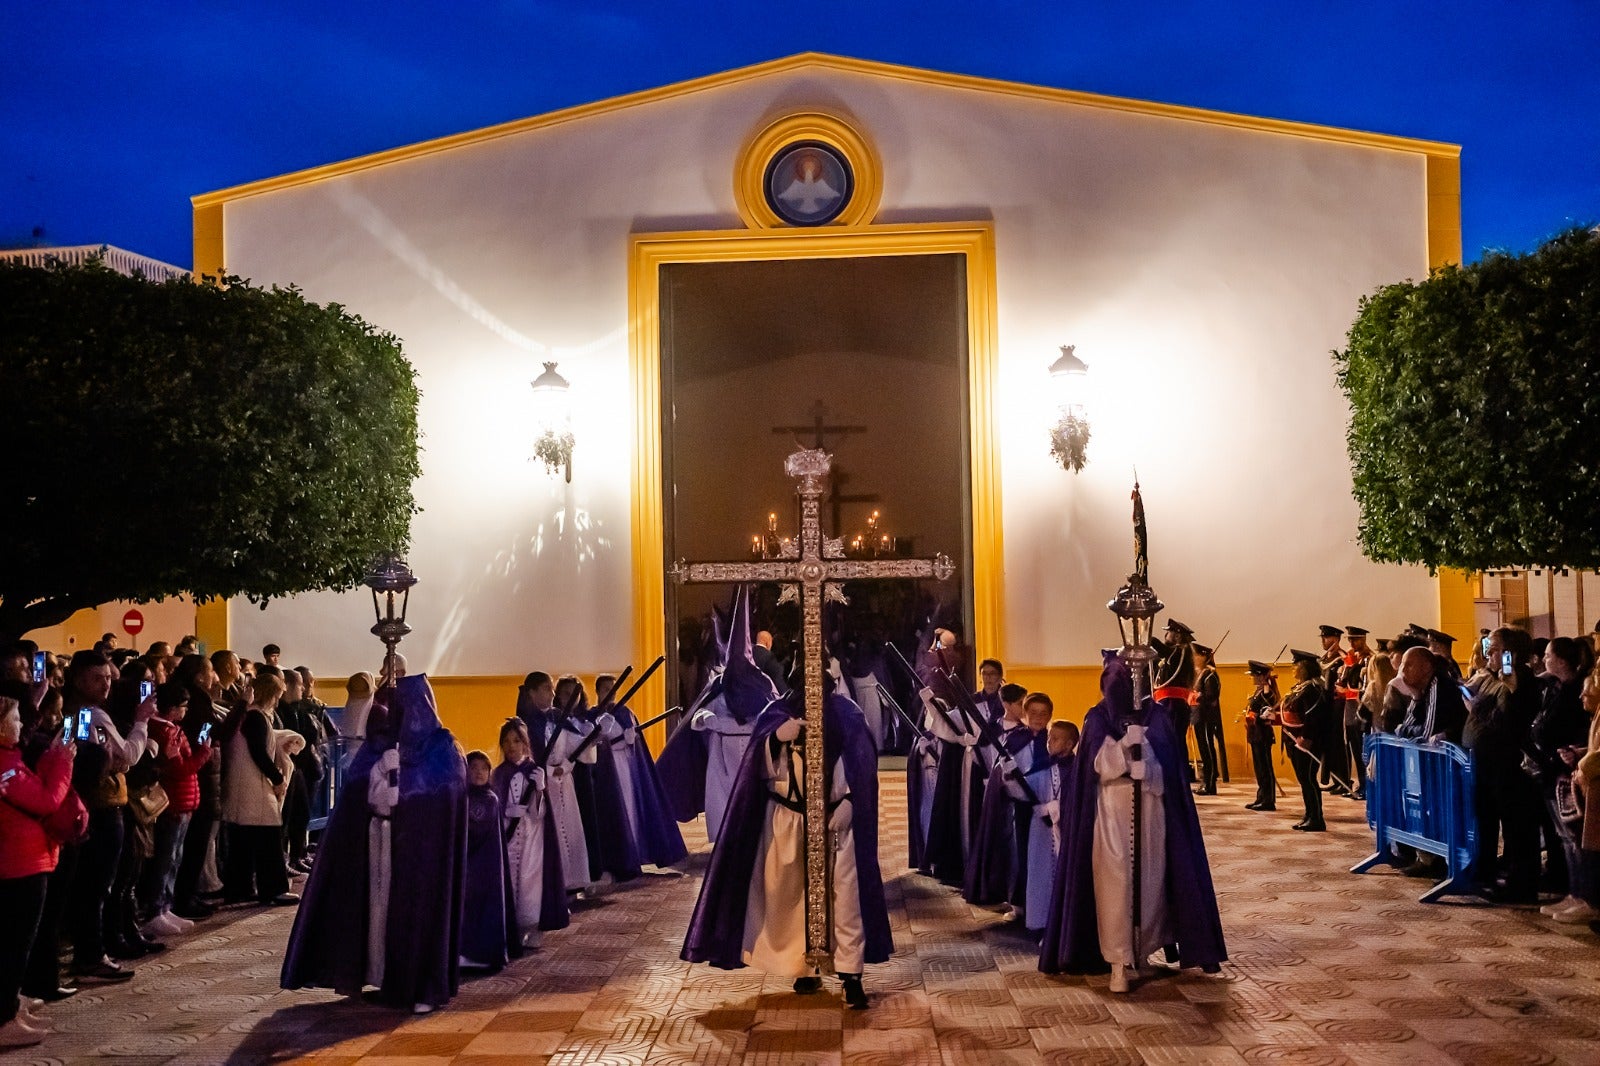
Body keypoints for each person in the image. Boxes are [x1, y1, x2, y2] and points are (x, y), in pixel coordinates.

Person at [681, 684, 890, 1010]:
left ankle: (852, 976)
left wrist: (852, 800)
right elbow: (755, 769)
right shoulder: (776, 714)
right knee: (791, 901)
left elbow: (860, 764)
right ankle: (804, 967)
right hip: (786, 820)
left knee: (846, 899)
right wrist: (777, 738)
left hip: (835, 822)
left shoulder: (846, 714)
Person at [1039, 651, 1225, 992]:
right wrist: (1123, 751)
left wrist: (1150, 769)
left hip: (1151, 815)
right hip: (1109, 813)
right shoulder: (1096, 718)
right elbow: (1094, 765)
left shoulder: (1156, 716)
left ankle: (1140, 950)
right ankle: (1116, 961)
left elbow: (1170, 768)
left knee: (1149, 884)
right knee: (1114, 883)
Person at [283, 674, 466, 1013]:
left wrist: (406, 786)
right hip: (378, 839)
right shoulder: (379, 744)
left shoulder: (442, 747)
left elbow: (446, 791)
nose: (393, 716)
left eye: (400, 709)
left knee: (414, 916)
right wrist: (377, 777)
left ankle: (417, 985)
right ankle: (382, 977)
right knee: (378, 915)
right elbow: (355, 788)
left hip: (419, 855)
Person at [0, 695, 79, 1048]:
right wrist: (62, 762)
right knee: (14, 944)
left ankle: (11, 1005)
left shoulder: (12, 760)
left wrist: (50, 758)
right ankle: (3, 1017)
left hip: (29, 859)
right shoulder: (5, 767)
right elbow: (46, 800)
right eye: (15, 719)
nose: (21, 726)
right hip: (18, 864)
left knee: (20, 941)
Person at [1465, 627, 1543, 904]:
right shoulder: (1494, 678)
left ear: (1512, 653)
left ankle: (1521, 884)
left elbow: (1509, 721)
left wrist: (1507, 692)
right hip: (1487, 761)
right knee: (1486, 819)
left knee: (1517, 827)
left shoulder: (1521, 681)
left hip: (1508, 763)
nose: (1489, 653)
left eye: (1496, 648)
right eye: (1489, 646)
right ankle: (1485, 872)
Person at [138, 682, 212, 935]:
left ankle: (166, 906)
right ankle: (155, 909)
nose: (186, 710)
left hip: (184, 801)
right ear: (171, 708)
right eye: (183, 706)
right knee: (165, 858)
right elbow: (179, 770)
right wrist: (204, 753)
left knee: (175, 858)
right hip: (173, 802)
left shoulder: (173, 730)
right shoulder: (165, 732)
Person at [219, 672, 298, 907]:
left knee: (244, 840)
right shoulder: (256, 717)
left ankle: (239, 888)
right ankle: (273, 888)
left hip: (244, 783)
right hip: (253, 784)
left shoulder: (253, 715)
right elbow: (258, 752)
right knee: (268, 839)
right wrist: (277, 778)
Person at [594, 673, 687, 870]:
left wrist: (631, 740)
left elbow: (636, 740)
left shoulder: (625, 712)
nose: (610, 694)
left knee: (634, 808)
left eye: (613, 689)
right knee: (620, 810)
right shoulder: (595, 716)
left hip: (629, 768)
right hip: (611, 769)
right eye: (605, 689)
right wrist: (613, 742)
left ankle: (636, 851)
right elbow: (596, 744)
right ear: (598, 692)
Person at [1530, 638, 1593, 923]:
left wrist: (1569, 754)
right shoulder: (1555, 688)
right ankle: (1573, 892)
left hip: (1566, 772)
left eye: (1548, 655)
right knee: (1564, 839)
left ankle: (1585, 896)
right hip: (1548, 770)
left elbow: (1576, 733)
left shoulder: (1574, 693)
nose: (1543, 660)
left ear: (1563, 660)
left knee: (1574, 838)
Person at [518, 673, 597, 892]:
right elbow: (525, 757)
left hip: (564, 783)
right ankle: (553, 883)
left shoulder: (557, 717)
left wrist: (592, 737)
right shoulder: (526, 723)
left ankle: (574, 879)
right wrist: (549, 771)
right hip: (543, 787)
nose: (552, 693)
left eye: (552, 688)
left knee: (570, 828)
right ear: (531, 692)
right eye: (545, 688)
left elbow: (576, 747)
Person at [494, 717, 569, 948]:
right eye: (506, 742)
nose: (511, 746)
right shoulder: (499, 774)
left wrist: (539, 789)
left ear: (525, 744)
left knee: (530, 882)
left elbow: (540, 814)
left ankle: (533, 926)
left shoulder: (533, 770)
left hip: (531, 836)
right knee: (510, 881)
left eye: (516, 741)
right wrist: (507, 813)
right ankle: (512, 927)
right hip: (509, 838)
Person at [962, 682, 1035, 907]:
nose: (1023, 708)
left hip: (1017, 797)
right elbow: (982, 755)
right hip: (996, 794)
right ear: (1006, 703)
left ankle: (1017, 898)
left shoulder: (1025, 733)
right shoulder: (992, 728)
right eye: (1020, 703)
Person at [460, 750, 516, 972]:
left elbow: (476, 828)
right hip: (470, 867)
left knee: (483, 911)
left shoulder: (489, 800)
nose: (478, 773)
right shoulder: (463, 795)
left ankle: (482, 954)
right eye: (473, 768)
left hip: (484, 867)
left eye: (484, 768)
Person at [1022, 719, 1078, 934]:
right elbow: (1024, 788)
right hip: (1042, 835)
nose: (1049, 742)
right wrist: (1007, 775)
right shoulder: (1043, 765)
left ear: (1069, 744)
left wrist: (1057, 809)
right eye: (1049, 738)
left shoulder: (1078, 770)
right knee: (1042, 875)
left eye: (1055, 739)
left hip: (1066, 833)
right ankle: (1042, 922)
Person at [1275, 650, 1329, 831]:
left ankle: (1317, 818)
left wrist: (1306, 737)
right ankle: (1309, 814)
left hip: (1306, 742)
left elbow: (1313, 716)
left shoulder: (1313, 689)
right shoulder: (1300, 687)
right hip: (1294, 740)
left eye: (1296, 665)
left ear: (1305, 667)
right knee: (1303, 779)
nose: (1293, 668)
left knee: (1308, 778)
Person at [1315, 625, 1348, 793]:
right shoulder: (1323, 659)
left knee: (1337, 744)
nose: (1323, 640)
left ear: (1336, 639)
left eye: (1326, 638)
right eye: (1322, 637)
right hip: (1324, 705)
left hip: (1336, 706)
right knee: (1328, 744)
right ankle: (1335, 779)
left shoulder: (1342, 658)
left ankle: (1344, 780)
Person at [1243, 661, 1279, 811]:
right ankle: (1261, 796)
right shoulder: (1259, 691)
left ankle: (1268, 800)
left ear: (1260, 676)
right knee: (1259, 767)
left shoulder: (1267, 692)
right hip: (1255, 733)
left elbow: (1267, 709)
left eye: (1254, 675)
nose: (1252, 678)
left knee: (1265, 767)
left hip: (1262, 733)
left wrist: (1254, 716)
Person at [1190, 644, 1222, 795]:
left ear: (1204, 656)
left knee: (1208, 748)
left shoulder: (1210, 675)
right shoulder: (1199, 674)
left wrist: (1196, 696)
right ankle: (1206, 782)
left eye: (1196, 655)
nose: (1194, 658)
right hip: (1198, 716)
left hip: (1206, 716)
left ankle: (1209, 783)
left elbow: (1211, 696)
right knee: (1203, 748)